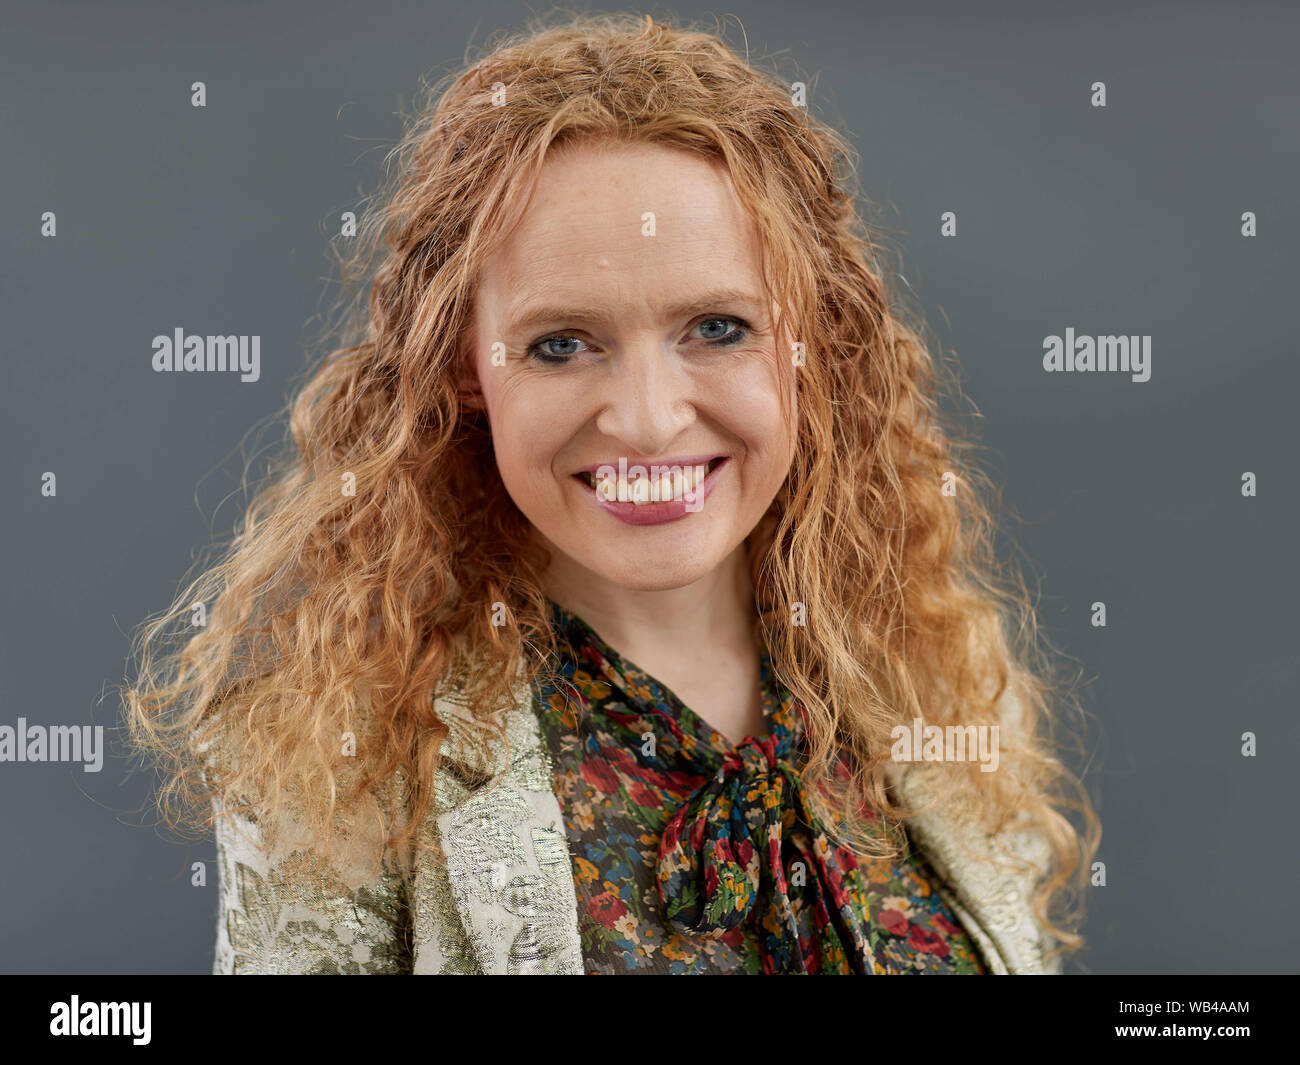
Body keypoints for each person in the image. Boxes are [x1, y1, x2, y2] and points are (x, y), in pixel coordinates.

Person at [125, 11, 1099, 975]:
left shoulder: (939, 683)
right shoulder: (345, 770)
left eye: (716, 329)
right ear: (464, 367)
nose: (644, 419)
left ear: (814, 341)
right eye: (561, 345)